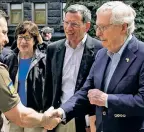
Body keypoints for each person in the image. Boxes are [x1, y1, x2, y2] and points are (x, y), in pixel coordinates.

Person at [48, 1, 144, 132]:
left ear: (123, 27)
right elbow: (86, 91)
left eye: (103, 27)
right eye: (97, 27)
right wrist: (62, 112)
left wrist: (108, 100)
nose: (97, 33)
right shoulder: (101, 54)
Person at [43, 4, 102, 132]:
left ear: (86, 26)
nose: (68, 28)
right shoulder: (53, 49)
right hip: (58, 117)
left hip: (86, 119)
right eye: (66, 22)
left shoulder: (100, 50)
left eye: (74, 24)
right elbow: (48, 86)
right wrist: (46, 115)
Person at [2, 20, 46, 132]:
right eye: (20, 37)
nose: (23, 41)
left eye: (27, 37)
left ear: (35, 40)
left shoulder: (43, 61)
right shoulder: (9, 59)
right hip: (14, 114)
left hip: (34, 115)